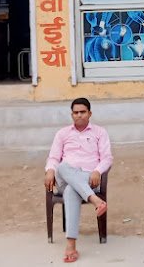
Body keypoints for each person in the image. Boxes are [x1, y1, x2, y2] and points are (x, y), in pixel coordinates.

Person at [44, 98, 113, 263]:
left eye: (83, 112)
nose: (79, 115)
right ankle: (95, 201)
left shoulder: (100, 132)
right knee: (62, 167)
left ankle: (71, 246)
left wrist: (97, 171)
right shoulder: (62, 134)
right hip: (65, 177)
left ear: (90, 113)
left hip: (90, 179)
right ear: (72, 115)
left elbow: (107, 158)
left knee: (71, 190)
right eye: (76, 112)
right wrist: (50, 170)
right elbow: (53, 157)